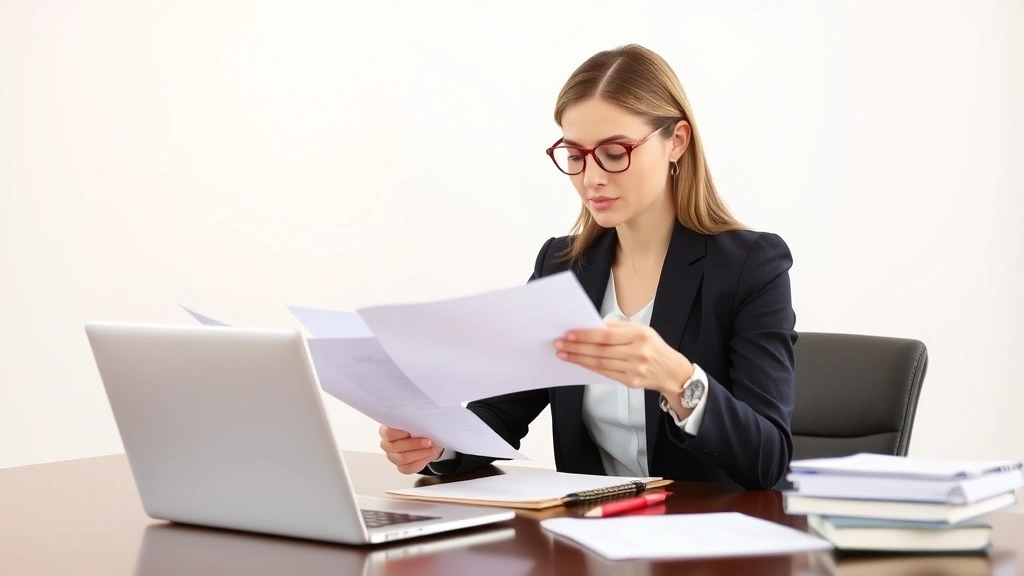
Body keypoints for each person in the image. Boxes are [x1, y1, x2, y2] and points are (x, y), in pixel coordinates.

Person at [378, 44, 797, 491]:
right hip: (592, 538)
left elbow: (768, 459)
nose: (591, 178)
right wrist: (438, 444)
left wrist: (677, 379)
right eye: (575, 155)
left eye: (615, 152)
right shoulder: (563, 267)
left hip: (707, 543)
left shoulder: (751, 267)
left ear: (676, 141)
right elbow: (504, 411)